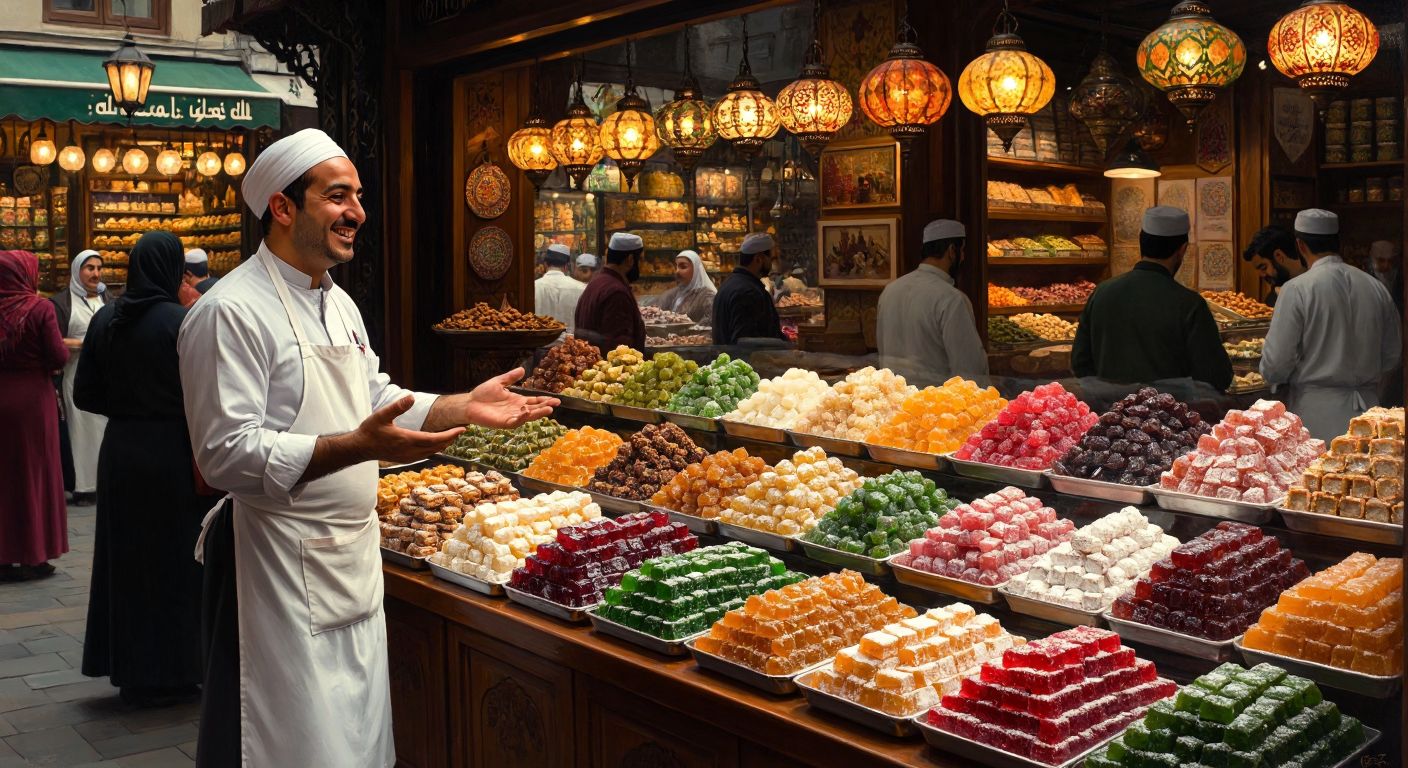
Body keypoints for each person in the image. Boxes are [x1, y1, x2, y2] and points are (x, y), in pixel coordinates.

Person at [177, 129, 558, 766]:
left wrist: (466, 405)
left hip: (350, 558)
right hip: (273, 564)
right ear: (282, 207)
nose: (358, 212)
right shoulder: (229, 312)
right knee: (290, 739)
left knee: (357, 736)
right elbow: (225, 455)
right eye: (337, 196)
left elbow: (375, 392)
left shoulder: (341, 304)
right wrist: (357, 446)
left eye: (358, 195)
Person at [75, 231, 219, 705]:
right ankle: (178, 669)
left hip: (121, 452)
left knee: (126, 560)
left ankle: (132, 669)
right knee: (176, 560)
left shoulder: (106, 320)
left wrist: (127, 406)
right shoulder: (182, 322)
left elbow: (84, 394)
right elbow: (207, 394)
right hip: (174, 453)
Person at [1261, 209, 1402, 440]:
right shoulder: (1376, 288)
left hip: (1315, 417)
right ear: (1338, 242)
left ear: (1301, 246)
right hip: (1369, 416)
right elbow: (1391, 356)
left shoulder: (1296, 289)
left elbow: (1275, 365)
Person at [1073, 206, 1232, 392]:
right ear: (1182, 250)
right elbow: (1216, 377)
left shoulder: (1102, 292)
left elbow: (1080, 362)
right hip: (1168, 418)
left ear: (1141, 241)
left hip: (1110, 415)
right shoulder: (1189, 304)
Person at [0, 251, 68, 581]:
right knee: (36, 473)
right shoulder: (39, 308)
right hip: (32, 401)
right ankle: (33, 554)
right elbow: (58, 354)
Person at [876, 219, 987, 384]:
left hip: (896, 399)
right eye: (962, 250)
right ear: (951, 251)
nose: (963, 257)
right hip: (936, 404)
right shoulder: (951, 299)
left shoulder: (890, 290)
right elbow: (970, 369)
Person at [50, 250, 110, 506]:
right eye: (89, 268)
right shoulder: (62, 302)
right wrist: (87, 343)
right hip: (76, 374)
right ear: (77, 271)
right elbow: (54, 340)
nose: (95, 273)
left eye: (98, 268)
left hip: (106, 375)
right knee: (80, 430)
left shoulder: (107, 297)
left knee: (103, 429)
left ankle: (103, 482)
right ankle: (84, 486)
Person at [574, 232, 646, 351]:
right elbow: (619, 348)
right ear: (630, 260)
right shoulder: (617, 293)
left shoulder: (597, 282)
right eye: (641, 260)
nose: (643, 267)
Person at [712, 233, 784, 345]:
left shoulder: (729, 284)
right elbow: (746, 343)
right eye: (772, 258)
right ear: (759, 259)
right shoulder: (748, 292)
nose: (774, 263)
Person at [1240, 225, 1306, 307]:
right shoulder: (1273, 296)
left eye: (1263, 267)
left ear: (1279, 256)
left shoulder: (1312, 291)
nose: (1261, 275)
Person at [653, 249, 716, 325]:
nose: (677, 271)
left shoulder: (707, 296)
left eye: (683, 267)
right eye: (676, 266)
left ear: (696, 270)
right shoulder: (674, 293)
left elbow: (711, 326)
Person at [534, 243, 586, 336]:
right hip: (571, 347)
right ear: (566, 266)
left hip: (539, 345)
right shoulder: (581, 288)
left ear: (545, 264)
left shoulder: (534, 287)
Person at [1368, 240, 1403, 313]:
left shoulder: (1398, 277)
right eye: (1381, 260)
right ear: (1372, 258)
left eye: (1390, 261)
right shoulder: (1366, 276)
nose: (1386, 265)